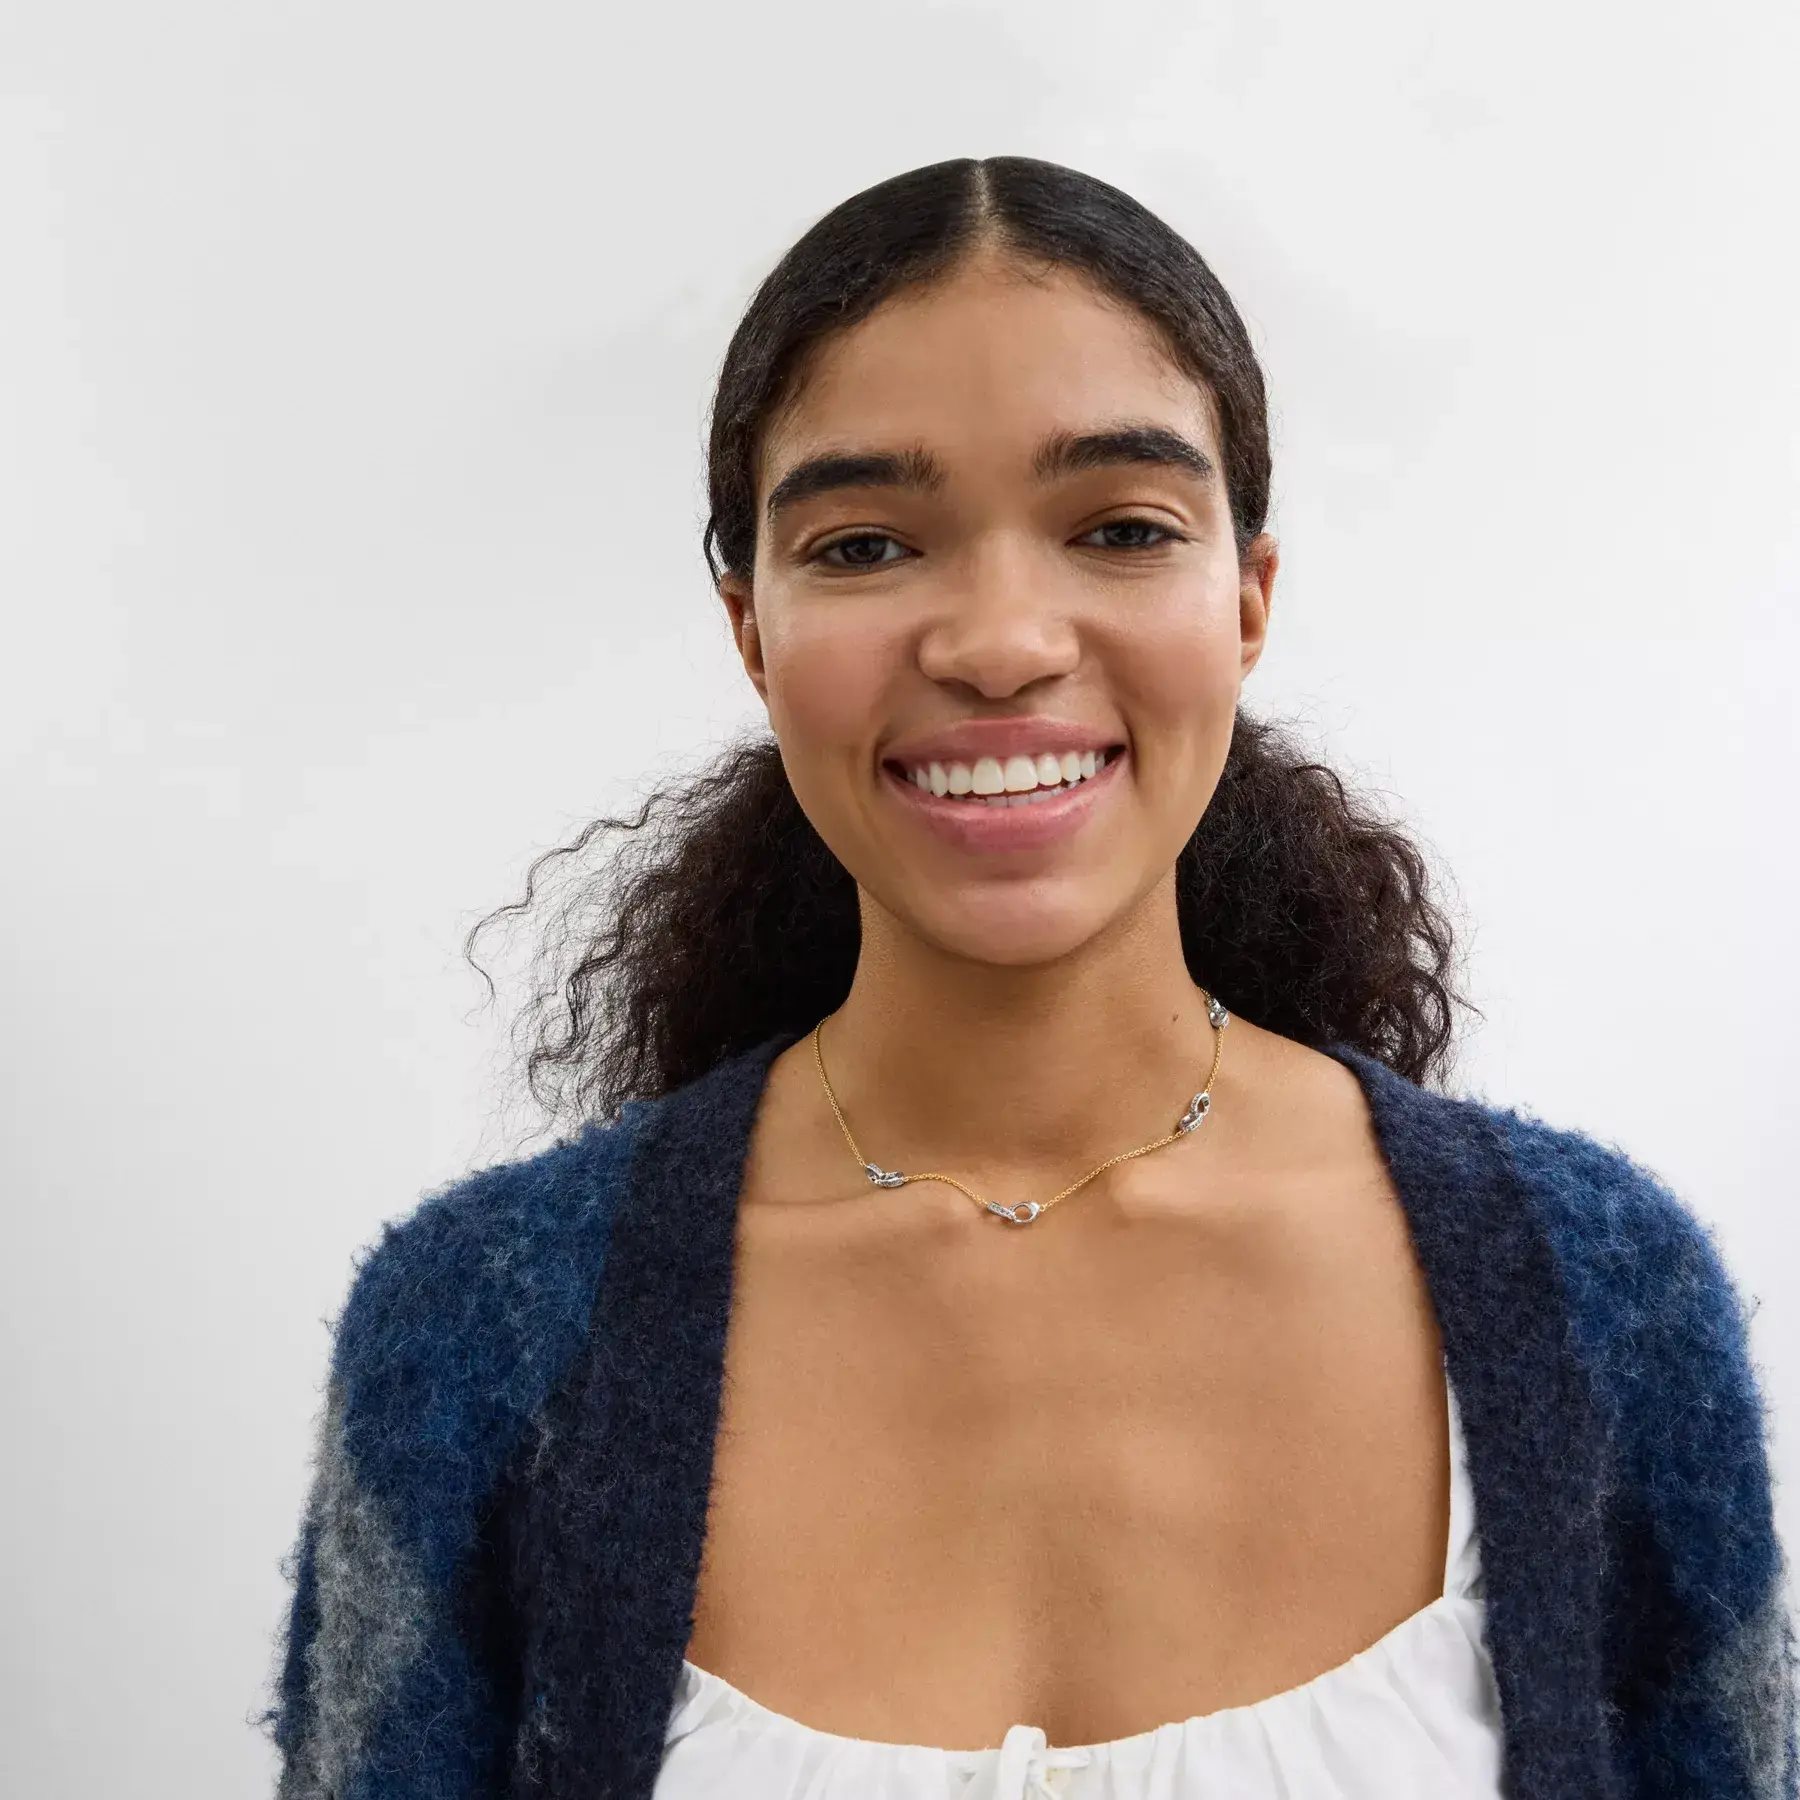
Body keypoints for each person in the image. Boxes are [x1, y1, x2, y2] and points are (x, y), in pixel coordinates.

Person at [261, 158, 1796, 1800]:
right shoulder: (475, 1336)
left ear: (1248, 599)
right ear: (751, 630)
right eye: (865, 544)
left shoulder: (1601, 1299)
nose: (1001, 641)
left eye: (1122, 529)